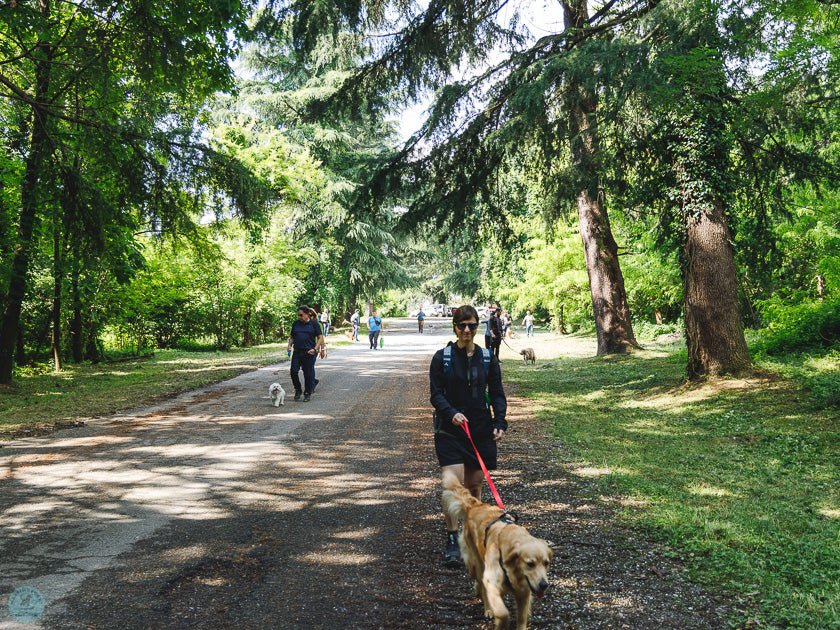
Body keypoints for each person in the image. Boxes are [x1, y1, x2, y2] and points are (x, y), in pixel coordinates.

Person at [430, 305, 507, 567]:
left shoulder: (487, 357)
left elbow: (496, 392)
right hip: (450, 430)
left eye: (472, 325)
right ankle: (452, 539)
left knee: (474, 486)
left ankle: (472, 533)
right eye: (462, 325)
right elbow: (435, 394)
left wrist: (500, 422)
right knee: (452, 486)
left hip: (480, 429)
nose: (466, 330)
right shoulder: (443, 357)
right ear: (455, 326)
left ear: (477, 327)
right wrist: (451, 412)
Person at [286, 305, 323, 402]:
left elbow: (320, 338)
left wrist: (315, 349)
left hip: (309, 353)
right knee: (293, 371)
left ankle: (307, 393)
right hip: (297, 352)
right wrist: (289, 345)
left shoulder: (314, 324)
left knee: (308, 374)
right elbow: (292, 337)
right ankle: (298, 389)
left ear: (307, 314)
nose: (299, 317)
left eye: (301, 315)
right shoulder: (296, 324)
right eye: (298, 315)